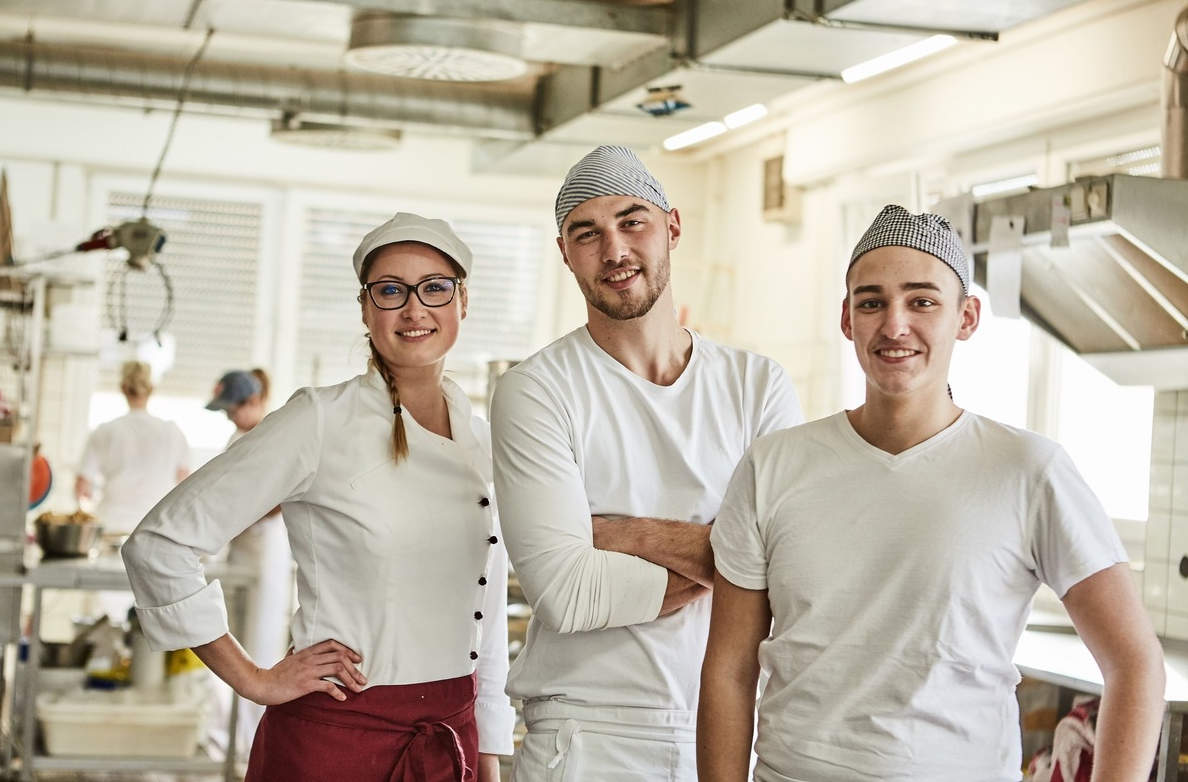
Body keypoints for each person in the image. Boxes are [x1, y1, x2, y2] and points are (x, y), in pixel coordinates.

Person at [698, 205, 1166, 782]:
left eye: (922, 301)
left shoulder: (1028, 470)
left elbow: (1135, 663)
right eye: (872, 302)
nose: (894, 325)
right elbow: (729, 668)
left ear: (966, 317)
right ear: (847, 319)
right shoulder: (774, 465)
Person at [122, 212, 514, 782]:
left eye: (434, 287)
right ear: (364, 308)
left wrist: (488, 755)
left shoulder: (480, 440)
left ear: (462, 301)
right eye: (389, 291)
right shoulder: (320, 420)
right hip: (335, 741)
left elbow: (490, 614)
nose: (414, 308)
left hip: (449, 740)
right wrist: (255, 679)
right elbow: (160, 545)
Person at [490, 145, 804, 780]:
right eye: (588, 234)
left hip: (727, 729)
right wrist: (731, 558)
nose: (614, 250)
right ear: (565, 253)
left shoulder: (756, 385)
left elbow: (792, 566)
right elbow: (568, 594)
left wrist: (617, 533)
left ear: (673, 229)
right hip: (584, 732)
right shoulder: (538, 389)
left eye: (632, 222)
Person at [201, 367, 294, 765]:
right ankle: (235, 740)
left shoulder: (272, 436)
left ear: (252, 402)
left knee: (260, 650)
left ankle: (256, 745)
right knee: (237, 646)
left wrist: (240, 514)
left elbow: (281, 496)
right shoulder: (238, 438)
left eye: (230, 408)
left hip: (265, 554)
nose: (226, 416)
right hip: (242, 553)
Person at [75, 359, 191, 536]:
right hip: (156, 527)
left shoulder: (105, 431)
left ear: (123, 388)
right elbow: (185, 485)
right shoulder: (173, 432)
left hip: (110, 525)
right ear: (151, 389)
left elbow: (82, 487)